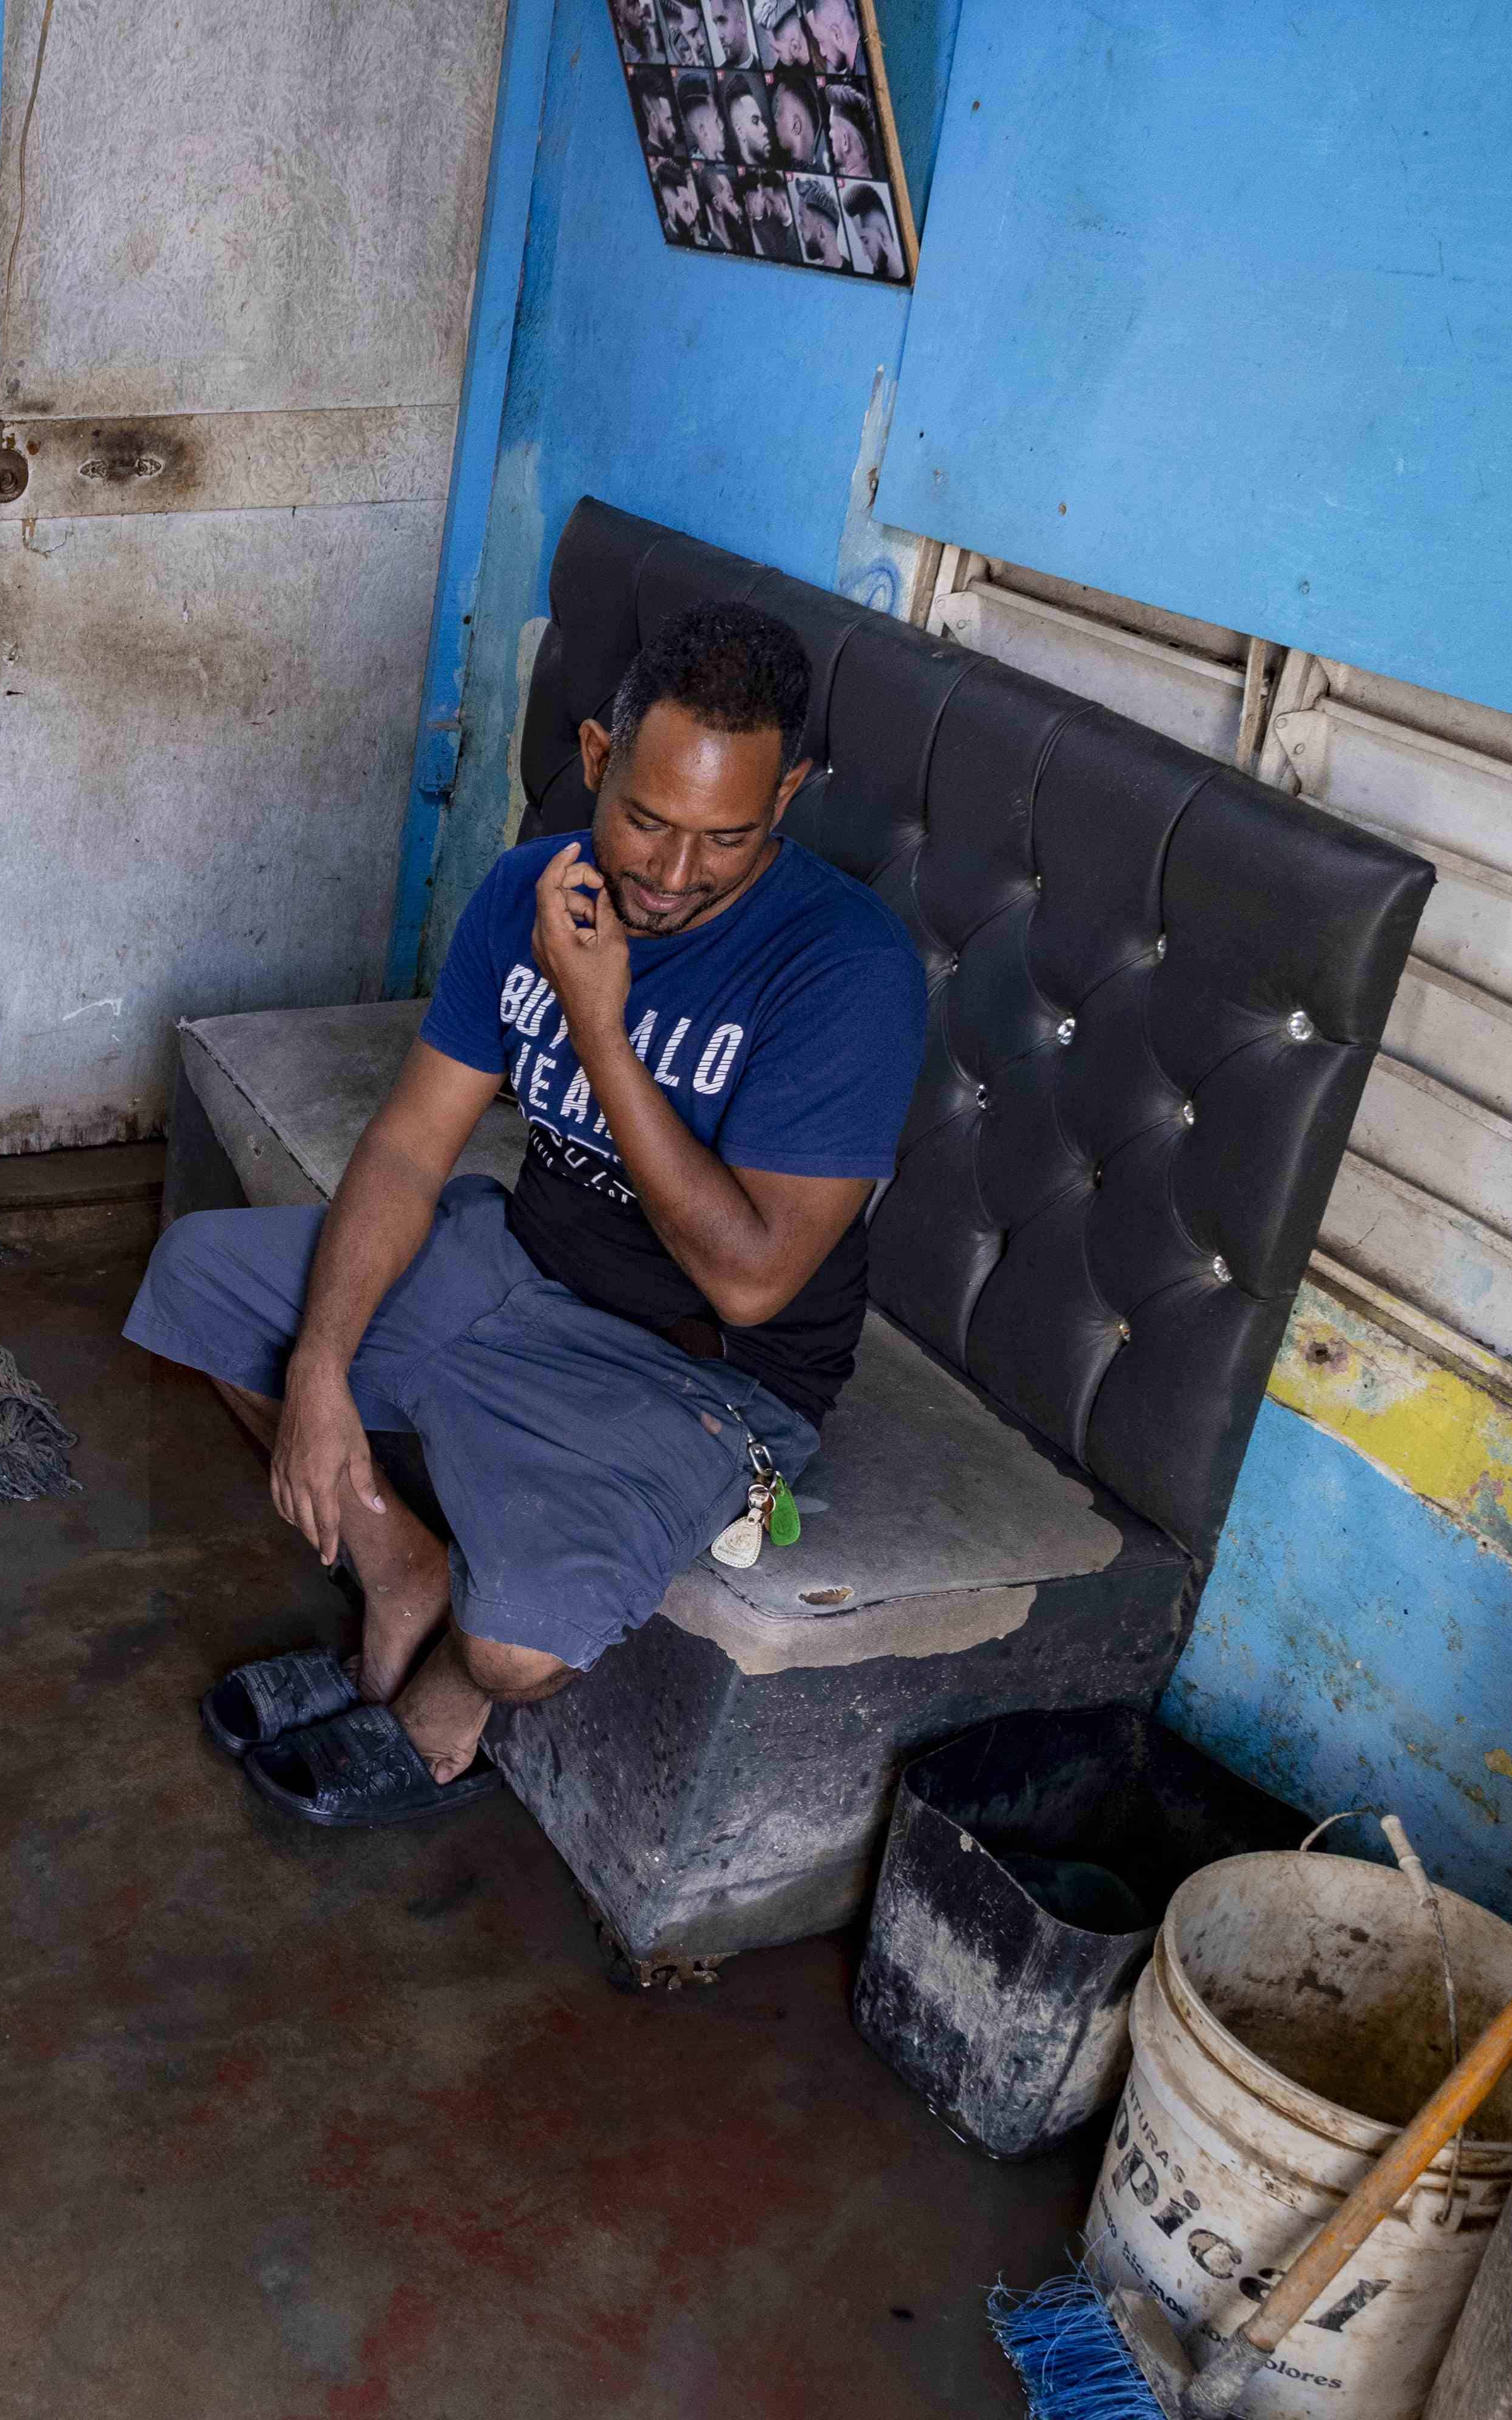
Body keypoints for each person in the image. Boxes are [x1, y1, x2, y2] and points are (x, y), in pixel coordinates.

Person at [131, 605, 925, 1825]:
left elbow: (752, 1280)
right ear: (599, 757)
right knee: (203, 1281)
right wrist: (325, 1368)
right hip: (511, 1267)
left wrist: (599, 1021)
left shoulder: (847, 965)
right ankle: (404, 1569)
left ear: (791, 795)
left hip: (700, 1375)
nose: (668, 874)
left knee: (515, 1654)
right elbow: (405, 1150)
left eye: (725, 838)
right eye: (646, 819)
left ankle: (453, 1689)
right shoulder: (525, 891)